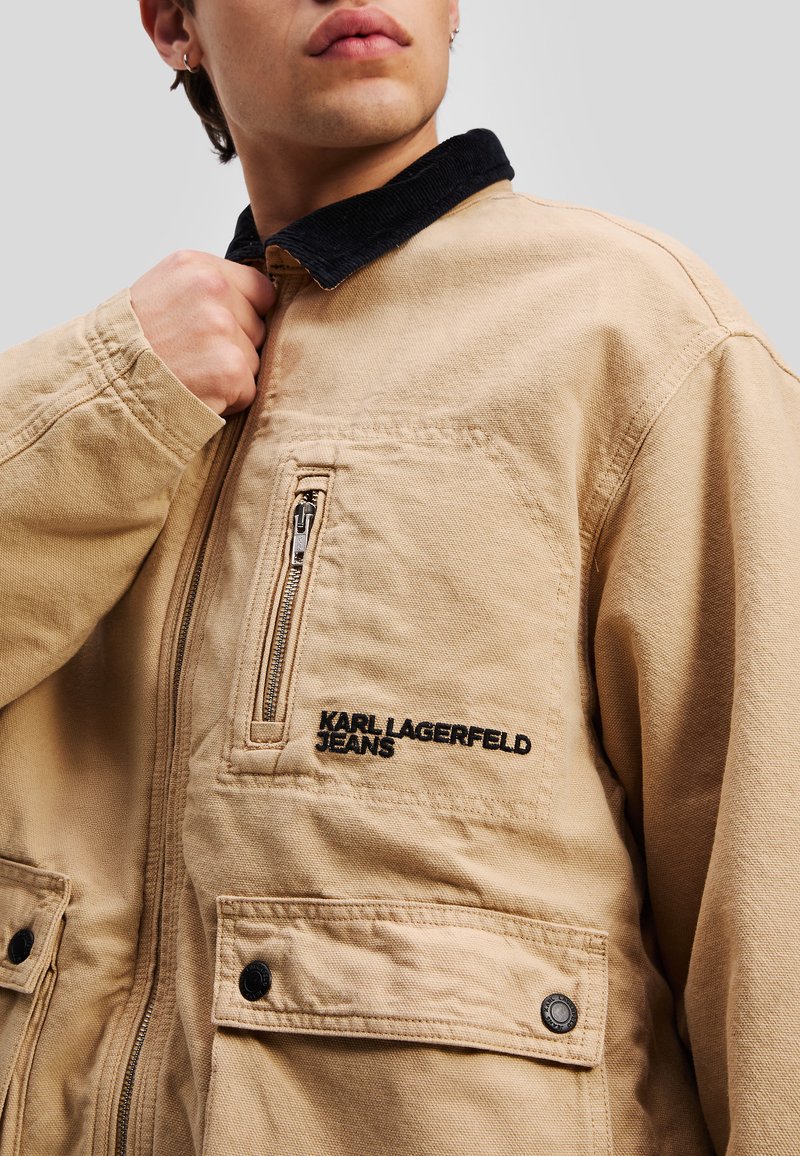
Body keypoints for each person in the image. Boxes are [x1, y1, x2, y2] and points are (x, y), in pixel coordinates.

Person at [1, 0, 798, 1152]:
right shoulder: (119, 400)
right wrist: (113, 391)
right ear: (174, 25)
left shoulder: (634, 338)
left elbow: (769, 890)